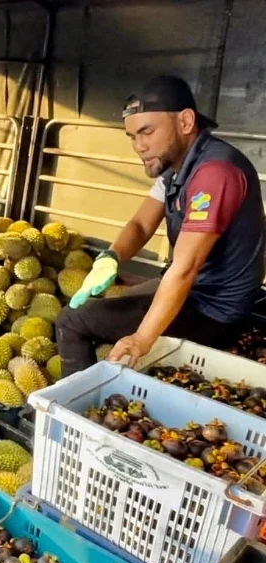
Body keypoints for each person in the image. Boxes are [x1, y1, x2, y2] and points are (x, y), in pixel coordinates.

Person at [57, 75, 266, 375]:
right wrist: (111, 257)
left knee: (72, 322)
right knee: (114, 303)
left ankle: (75, 409)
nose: (139, 146)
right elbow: (141, 225)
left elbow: (185, 268)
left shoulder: (215, 173)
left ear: (185, 122)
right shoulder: (176, 169)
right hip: (194, 291)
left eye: (147, 132)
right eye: (132, 136)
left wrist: (142, 339)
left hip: (214, 311)